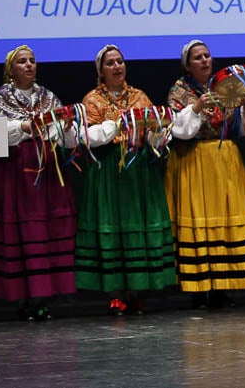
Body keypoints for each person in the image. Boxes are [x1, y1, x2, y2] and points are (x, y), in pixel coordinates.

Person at [0, 45, 80, 320]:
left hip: (45, 171)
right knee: (20, 232)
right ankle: (22, 297)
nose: (29, 65)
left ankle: (43, 296)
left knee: (44, 231)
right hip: (15, 172)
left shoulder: (48, 96)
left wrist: (64, 127)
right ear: (11, 69)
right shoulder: (0, 99)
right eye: (22, 62)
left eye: (32, 61)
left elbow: (58, 130)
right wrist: (22, 128)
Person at [165, 40, 245, 308]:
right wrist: (197, 108)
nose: (204, 61)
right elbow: (177, 131)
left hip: (225, 161)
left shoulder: (227, 86)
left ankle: (223, 287)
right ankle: (199, 289)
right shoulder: (179, 92)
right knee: (200, 222)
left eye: (207, 56)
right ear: (187, 65)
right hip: (195, 161)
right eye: (198, 58)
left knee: (225, 221)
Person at [74, 45, 176, 315]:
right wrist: (117, 125)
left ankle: (135, 291)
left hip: (138, 169)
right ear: (101, 71)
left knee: (136, 225)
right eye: (110, 63)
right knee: (113, 226)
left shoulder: (139, 96)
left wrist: (160, 130)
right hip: (109, 169)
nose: (117, 66)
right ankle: (115, 294)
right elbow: (87, 137)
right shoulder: (93, 100)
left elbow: (153, 132)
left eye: (120, 61)